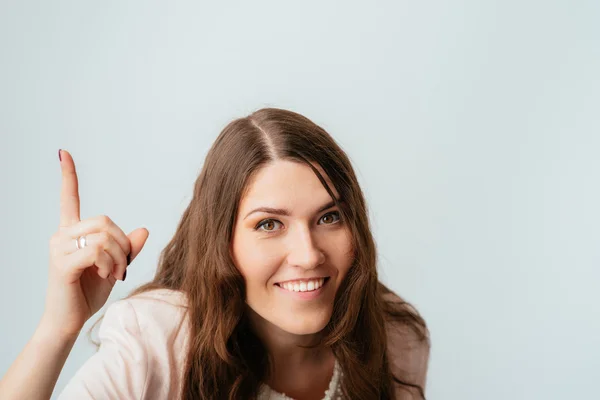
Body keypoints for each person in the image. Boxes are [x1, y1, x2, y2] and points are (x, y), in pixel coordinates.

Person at [0, 107, 430, 399]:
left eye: (329, 217)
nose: (308, 254)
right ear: (223, 243)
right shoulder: (159, 338)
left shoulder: (394, 335)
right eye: (268, 224)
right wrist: (57, 329)